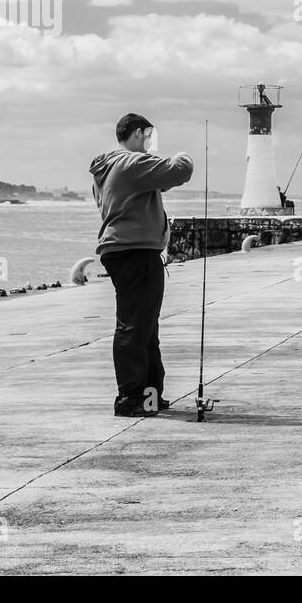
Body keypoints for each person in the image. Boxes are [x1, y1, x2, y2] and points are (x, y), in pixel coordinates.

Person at [90, 113, 194, 417]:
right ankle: (130, 397)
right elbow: (179, 170)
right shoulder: (130, 163)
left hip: (125, 250)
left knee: (145, 326)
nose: (150, 143)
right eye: (148, 136)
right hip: (134, 251)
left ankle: (150, 395)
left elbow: (158, 182)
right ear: (137, 133)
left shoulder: (111, 167)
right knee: (134, 326)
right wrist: (184, 154)